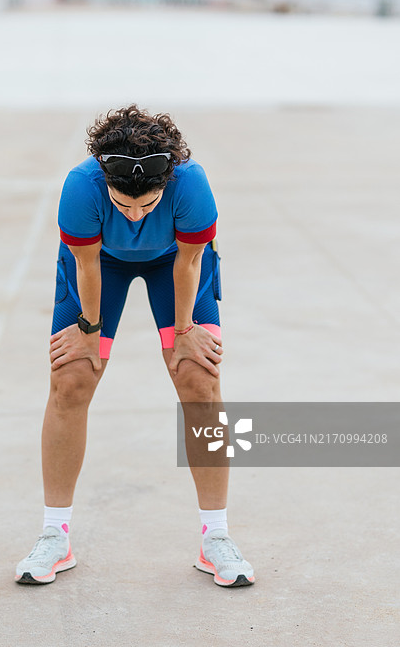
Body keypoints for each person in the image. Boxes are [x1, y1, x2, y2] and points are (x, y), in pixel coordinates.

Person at [15, 104, 254, 588]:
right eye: (124, 204)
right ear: (106, 179)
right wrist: (88, 327)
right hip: (100, 263)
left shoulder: (191, 185)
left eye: (148, 204)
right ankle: (54, 534)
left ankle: (216, 538)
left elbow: (189, 264)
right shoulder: (82, 186)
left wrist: (185, 333)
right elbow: (85, 267)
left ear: (168, 181)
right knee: (72, 378)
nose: (137, 214)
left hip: (175, 264)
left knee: (199, 380)